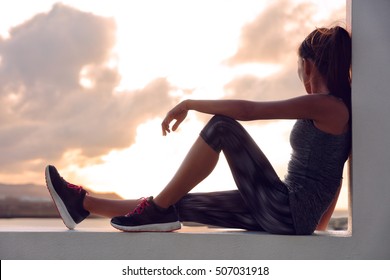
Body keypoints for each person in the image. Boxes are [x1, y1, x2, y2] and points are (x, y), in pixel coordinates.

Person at [45, 26, 351, 235]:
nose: (299, 74)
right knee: (175, 202)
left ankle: (155, 210)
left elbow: (249, 111)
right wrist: (317, 225)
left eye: (299, 67)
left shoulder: (329, 106)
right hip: (284, 212)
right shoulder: (334, 109)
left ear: (309, 65)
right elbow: (333, 177)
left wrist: (190, 103)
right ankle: (83, 205)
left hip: (284, 210)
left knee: (222, 127)